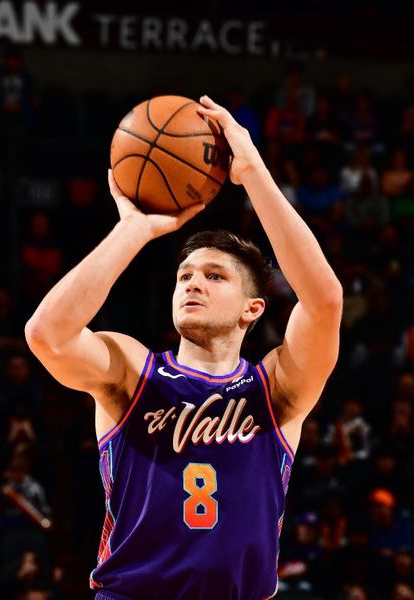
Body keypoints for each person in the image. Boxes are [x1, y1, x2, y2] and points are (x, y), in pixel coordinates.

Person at [25, 95, 343, 599]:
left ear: (252, 309)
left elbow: (324, 300)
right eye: (185, 275)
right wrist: (132, 231)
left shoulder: (276, 390)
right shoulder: (133, 372)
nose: (193, 284)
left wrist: (254, 172)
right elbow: (47, 335)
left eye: (215, 276)